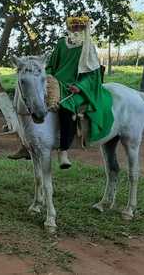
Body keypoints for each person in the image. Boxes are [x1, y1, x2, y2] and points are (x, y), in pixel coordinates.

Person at [46, 15, 113, 169]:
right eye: (73, 26)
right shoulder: (61, 43)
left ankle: (63, 151)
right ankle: (25, 143)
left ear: (85, 28)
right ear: (69, 27)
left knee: (66, 107)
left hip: (75, 88)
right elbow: (51, 65)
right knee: (32, 99)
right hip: (56, 83)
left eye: (80, 27)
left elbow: (93, 74)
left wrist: (80, 87)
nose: (76, 29)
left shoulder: (88, 47)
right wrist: (49, 78)